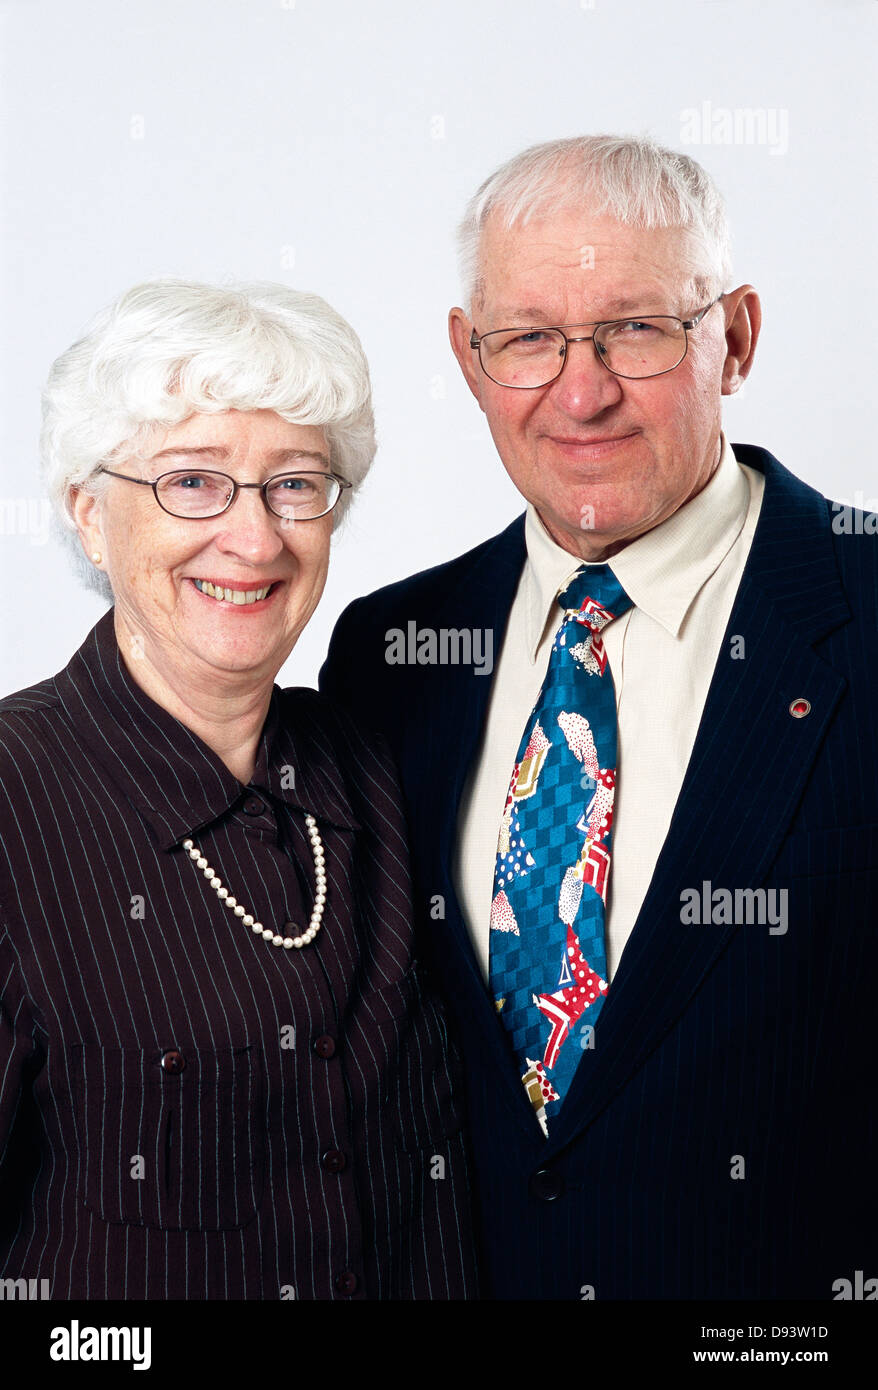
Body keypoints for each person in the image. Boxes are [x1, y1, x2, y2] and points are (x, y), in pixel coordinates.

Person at [320, 135, 878, 1299]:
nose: (580, 392)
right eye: (529, 339)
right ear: (470, 359)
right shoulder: (387, 657)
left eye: (635, 327)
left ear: (734, 335)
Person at [0, 279, 477, 1301]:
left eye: (294, 484)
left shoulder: (385, 760)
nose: (255, 539)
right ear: (89, 513)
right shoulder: (13, 801)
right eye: (192, 483)